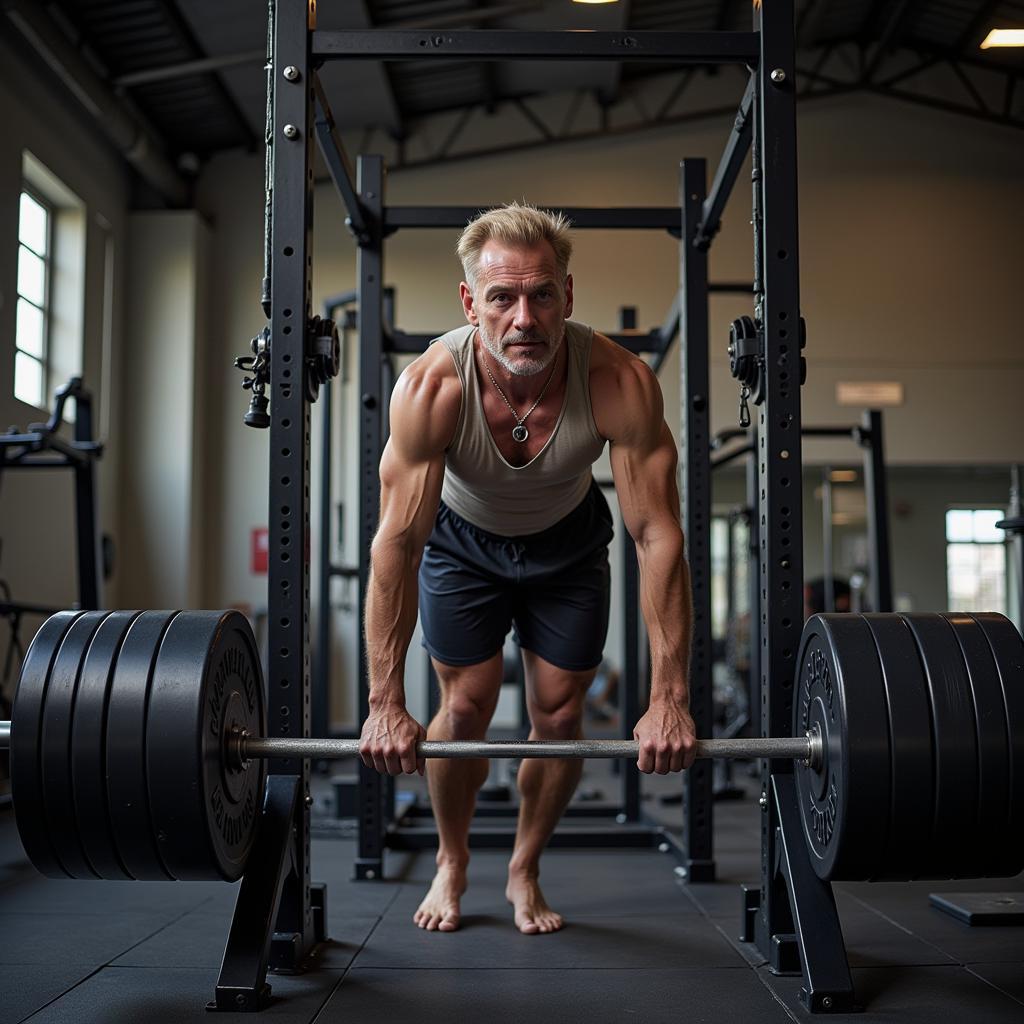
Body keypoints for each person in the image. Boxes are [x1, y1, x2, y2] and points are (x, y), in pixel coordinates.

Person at [360, 203, 697, 935]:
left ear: (567, 296)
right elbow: (397, 543)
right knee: (468, 707)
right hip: (461, 543)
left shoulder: (618, 380)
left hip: (568, 545)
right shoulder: (431, 388)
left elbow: (656, 535)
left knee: (560, 712)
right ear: (469, 302)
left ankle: (524, 866)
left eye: (542, 294)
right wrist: (384, 701)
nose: (524, 318)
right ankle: (453, 860)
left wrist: (669, 696)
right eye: (502, 297)